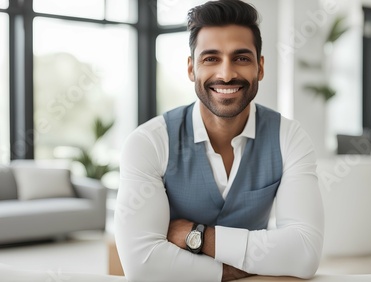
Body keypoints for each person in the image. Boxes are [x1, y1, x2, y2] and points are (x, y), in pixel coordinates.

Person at [115, 0, 324, 281]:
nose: (226, 74)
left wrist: (197, 237)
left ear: (260, 67)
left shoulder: (289, 137)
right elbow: (142, 265)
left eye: (241, 58)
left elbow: (304, 253)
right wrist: (231, 271)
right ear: (191, 69)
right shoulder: (149, 142)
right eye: (211, 58)